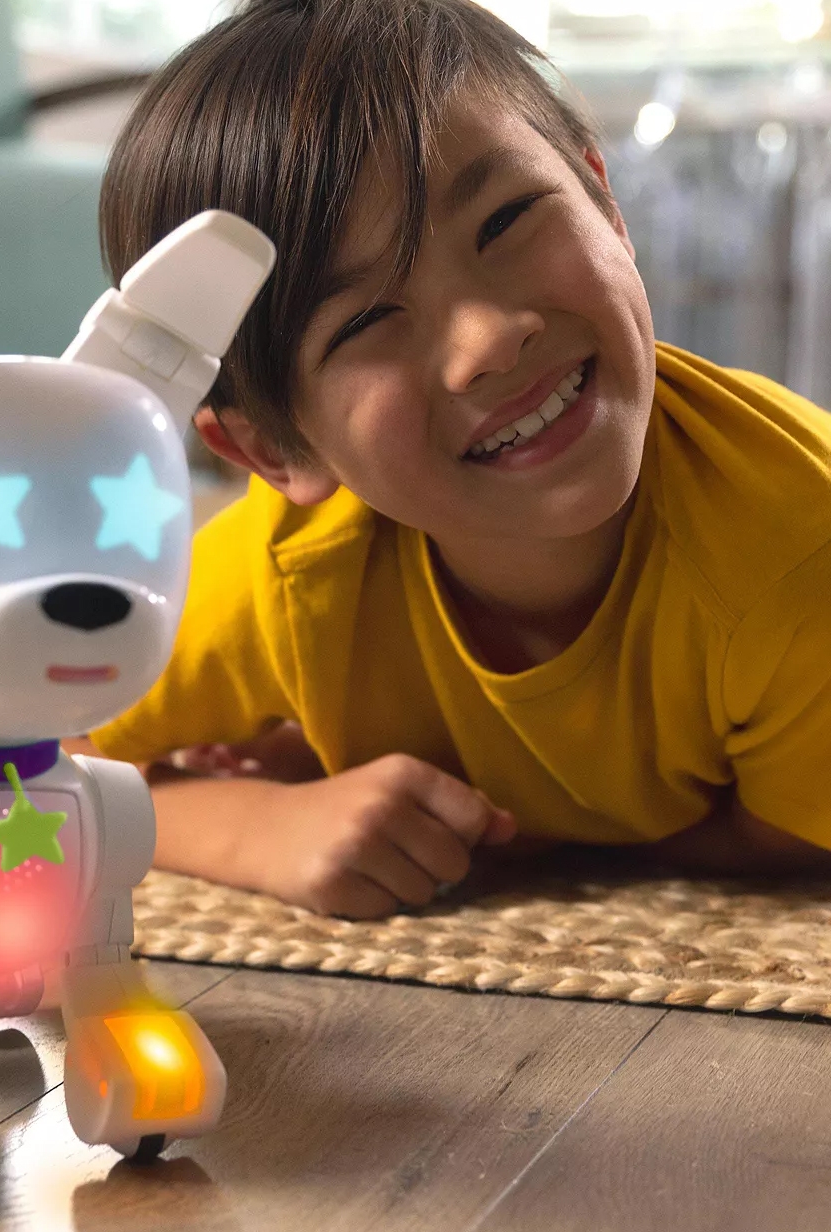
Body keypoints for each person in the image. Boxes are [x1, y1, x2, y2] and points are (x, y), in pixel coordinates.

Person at [64, 0, 831, 920]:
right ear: (271, 449)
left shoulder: (797, 552)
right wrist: (258, 825)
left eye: (506, 221)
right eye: (364, 322)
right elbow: (25, 749)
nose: (490, 339)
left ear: (603, 197)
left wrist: (529, 827)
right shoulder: (288, 579)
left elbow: (785, 837)